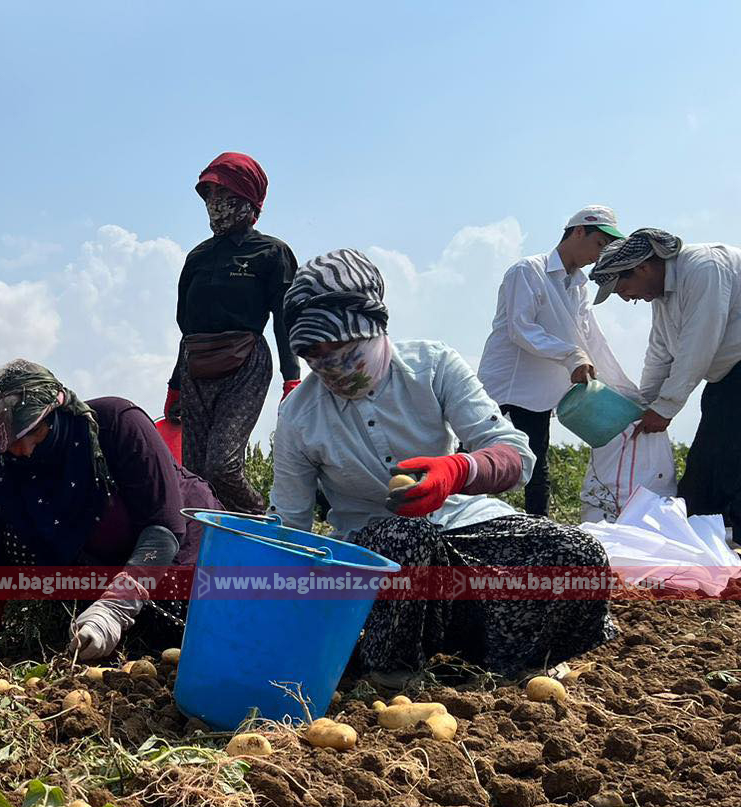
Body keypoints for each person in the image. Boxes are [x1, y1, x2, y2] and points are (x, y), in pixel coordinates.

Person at [271, 249, 613, 679]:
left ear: (376, 328)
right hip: (377, 558)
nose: (331, 365)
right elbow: (290, 524)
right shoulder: (299, 415)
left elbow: (514, 455)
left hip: (463, 526)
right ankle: (391, 672)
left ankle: (518, 660)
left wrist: (455, 472)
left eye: (342, 348)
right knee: (404, 537)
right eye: (313, 354)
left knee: (575, 552)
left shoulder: (432, 367)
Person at [0, 360, 220, 661]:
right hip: (105, 557)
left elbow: (163, 528)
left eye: (37, 431)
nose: (26, 450)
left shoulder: (116, 422)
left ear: (58, 409)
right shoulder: (10, 463)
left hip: (176, 545)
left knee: (173, 632)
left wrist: (115, 605)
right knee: (16, 534)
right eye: (13, 443)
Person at [476, 205, 631, 515]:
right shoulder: (528, 271)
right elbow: (521, 328)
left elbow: (592, 339)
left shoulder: (579, 287)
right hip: (504, 381)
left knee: (537, 466)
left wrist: (625, 389)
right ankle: (453, 521)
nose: (599, 256)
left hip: (539, 390)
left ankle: (540, 535)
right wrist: (571, 355)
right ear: (577, 232)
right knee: (475, 454)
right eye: (599, 244)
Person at [167, 152, 300, 513]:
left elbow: (284, 319)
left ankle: (261, 522)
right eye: (208, 196)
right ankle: (210, 547)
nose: (214, 205)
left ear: (247, 201)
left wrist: (292, 379)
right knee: (195, 476)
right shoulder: (197, 257)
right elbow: (187, 327)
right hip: (196, 366)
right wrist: (174, 385)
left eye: (224, 195)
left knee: (222, 466)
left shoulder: (272, 252)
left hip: (246, 364)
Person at [590, 228, 741, 535]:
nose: (628, 298)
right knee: (704, 472)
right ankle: (702, 536)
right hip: (726, 381)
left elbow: (698, 344)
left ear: (644, 267)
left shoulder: (704, 268)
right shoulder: (662, 296)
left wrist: (666, 407)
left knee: (730, 465)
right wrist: (643, 404)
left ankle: (731, 539)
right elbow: (660, 353)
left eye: (624, 288)